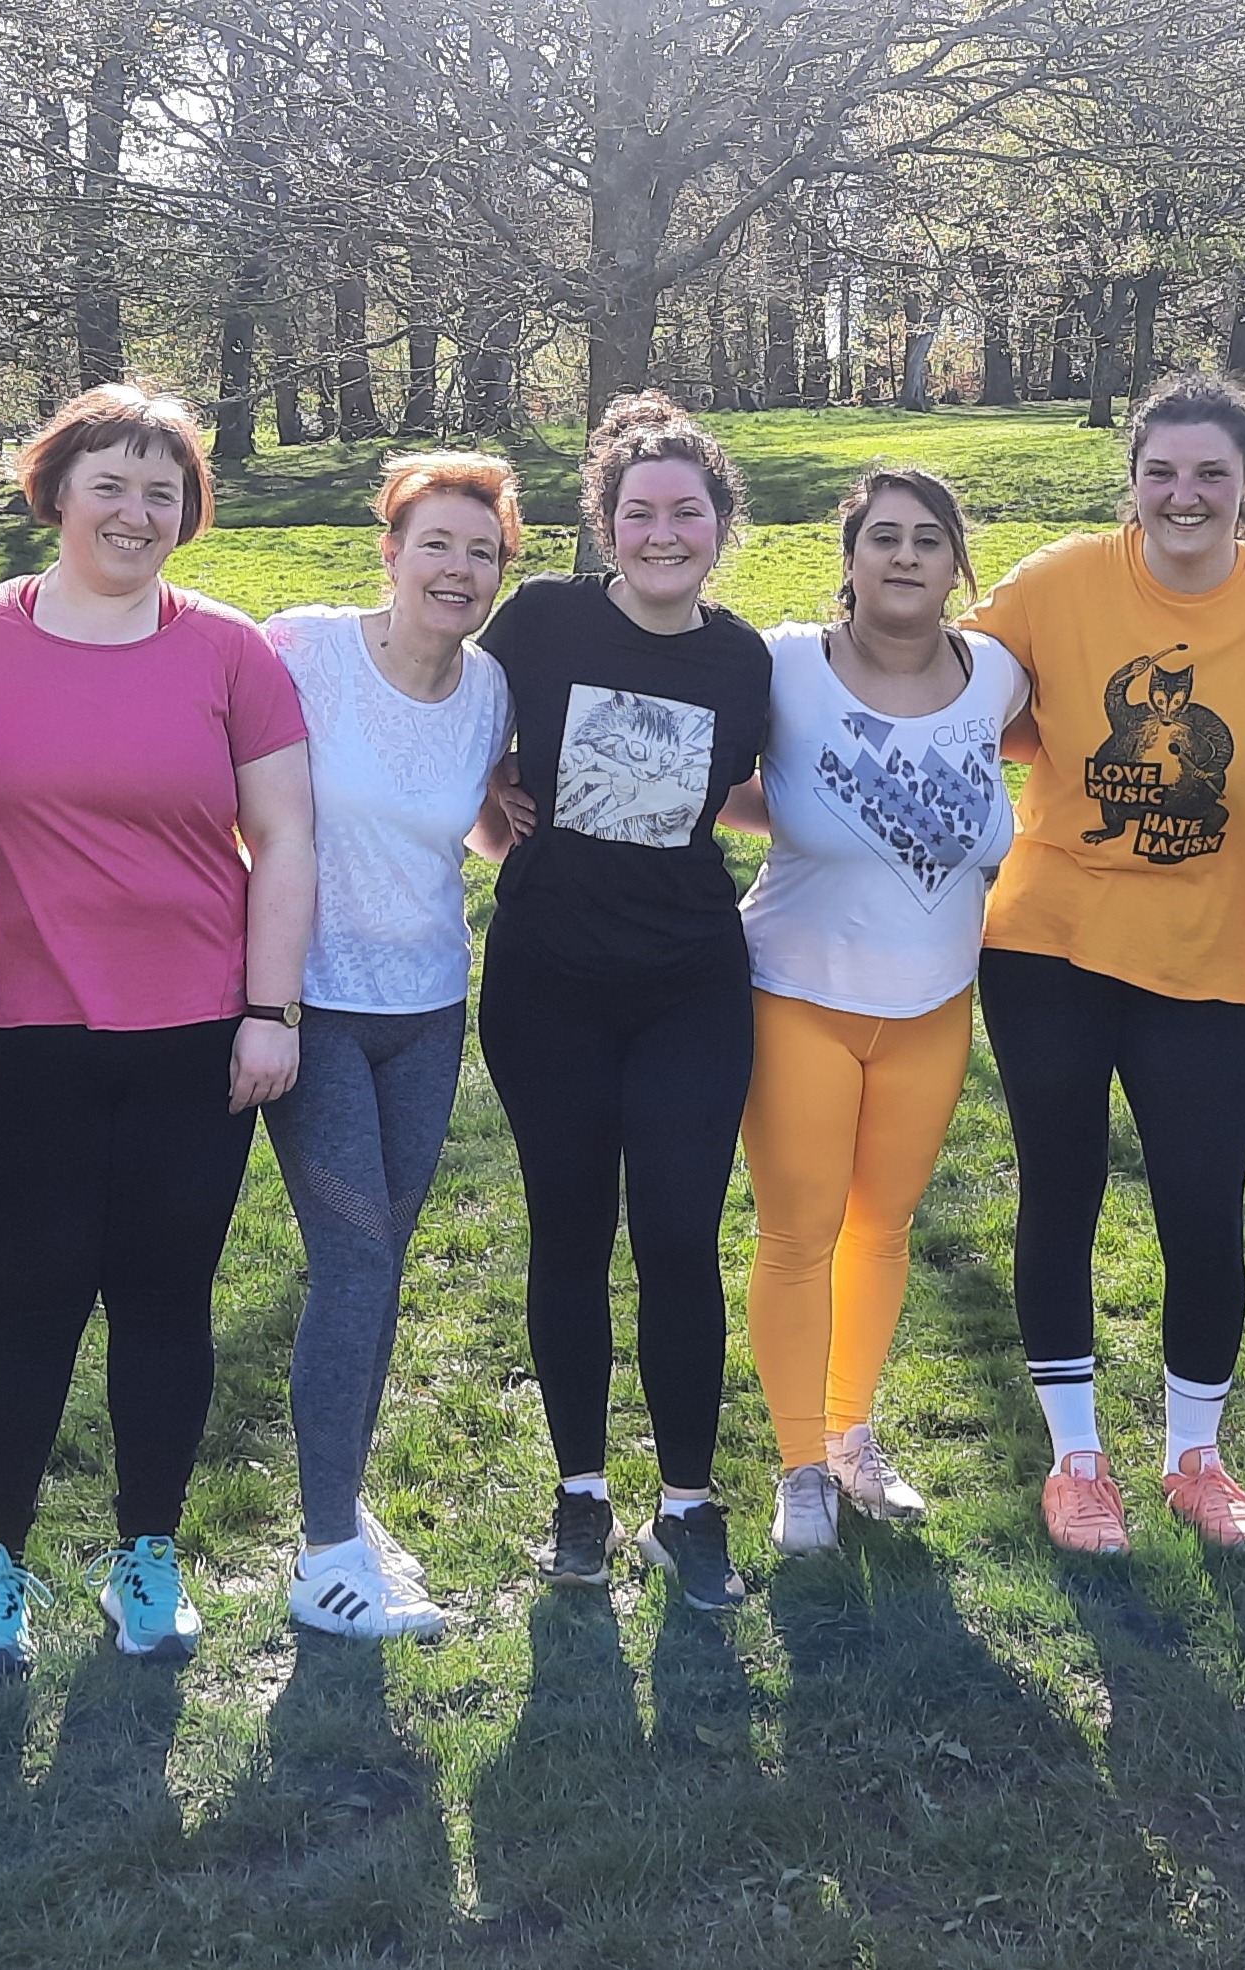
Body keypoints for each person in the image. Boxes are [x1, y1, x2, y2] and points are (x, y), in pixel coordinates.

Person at [0, 386, 312, 1675]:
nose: (136, 512)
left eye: (163, 490)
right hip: (20, 1034)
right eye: (111, 484)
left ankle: (148, 1552)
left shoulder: (230, 650)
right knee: (24, 1301)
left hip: (196, 1034)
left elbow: (286, 837)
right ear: (56, 493)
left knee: (164, 1300)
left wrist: (269, 1010)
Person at [966, 371, 1245, 1556]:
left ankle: (1197, 1458)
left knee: (1202, 1204)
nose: (1184, 495)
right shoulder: (1056, 581)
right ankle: (1076, 1462)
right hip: (1048, 941)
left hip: (1203, 949)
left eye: (1210, 474)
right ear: (1131, 482)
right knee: (1062, 1188)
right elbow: (943, 691)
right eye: (1161, 473)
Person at [473, 393, 773, 1611]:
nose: (662, 534)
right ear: (604, 523)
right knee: (568, 1234)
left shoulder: (744, 659)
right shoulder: (540, 622)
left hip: (688, 987)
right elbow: (449, 727)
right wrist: (492, 812)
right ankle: (582, 1494)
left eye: (685, 512)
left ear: (718, 525)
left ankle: (687, 1506)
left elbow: (748, 791)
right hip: (546, 984)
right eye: (638, 512)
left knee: (678, 1239)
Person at [722, 470, 1029, 1557]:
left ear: (957, 566)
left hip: (934, 1005)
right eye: (883, 537)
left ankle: (851, 1434)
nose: (904, 556)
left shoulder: (997, 674)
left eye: (928, 540)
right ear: (849, 560)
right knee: (798, 1234)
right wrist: (800, 812)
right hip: (796, 994)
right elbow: (706, 774)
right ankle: (799, 1466)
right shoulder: (783, 663)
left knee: (883, 1227)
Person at [260, 454, 522, 1640]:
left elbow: (476, 824)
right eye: (437, 544)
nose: (458, 569)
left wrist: (524, 825)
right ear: (391, 552)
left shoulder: (490, 687)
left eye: (482, 551)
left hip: (426, 1007)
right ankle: (323, 1556)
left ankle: (345, 1510)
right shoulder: (302, 647)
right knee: (355, 1264)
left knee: (383, 1264)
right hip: (309, 1003)